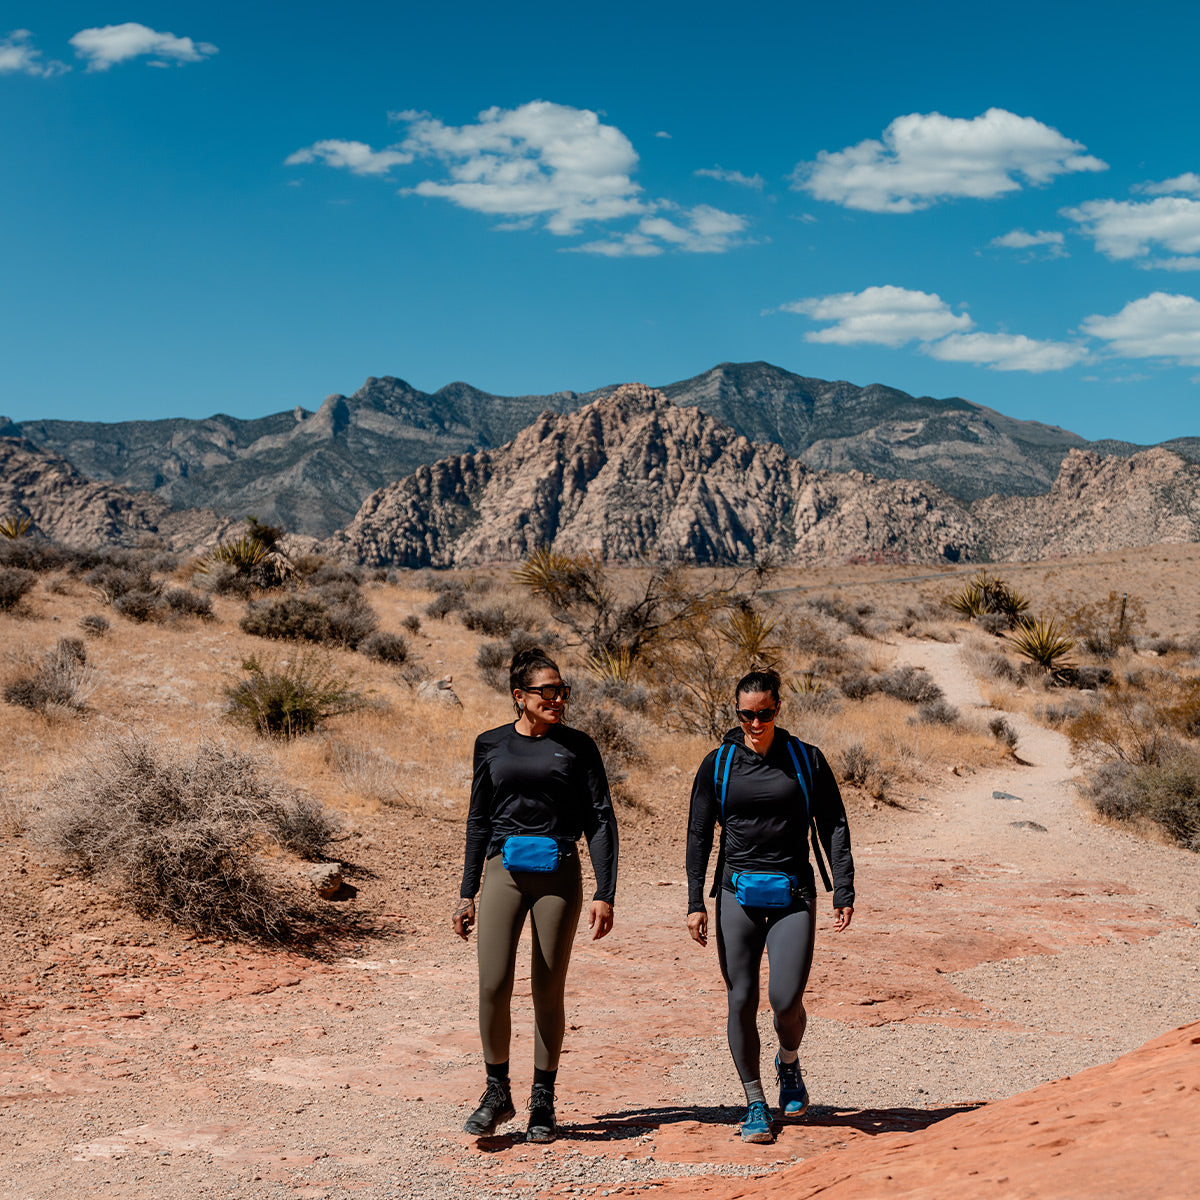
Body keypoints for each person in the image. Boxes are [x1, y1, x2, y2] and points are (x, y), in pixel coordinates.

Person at [453, 646, 618, 1143]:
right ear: (519, 696)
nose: (557, 698)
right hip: (503, 870)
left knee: (547, 988)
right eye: (547, 691)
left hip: (558, 873)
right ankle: (496, 1092)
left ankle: (542, 1101)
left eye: (561, 690)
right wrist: (466, 893)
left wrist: (605, 891)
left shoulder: (578, 746)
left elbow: (600, 819)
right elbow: (478, 819)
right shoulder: (490, 744)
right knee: (493, 984)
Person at [685, 667, 854, 1144]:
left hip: (793, 893)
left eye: (764, 714)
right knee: (740, 999)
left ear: (778, 708)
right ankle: (755, 1102)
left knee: (784, 999)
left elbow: (833, 824)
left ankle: (789, 1062)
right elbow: (699, 834)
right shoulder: (717, 764)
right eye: (745, 715)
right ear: (736, 713)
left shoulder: (806, 760)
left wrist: (844, 887)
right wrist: (695, 900)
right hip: (736, 893)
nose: (755, 723)